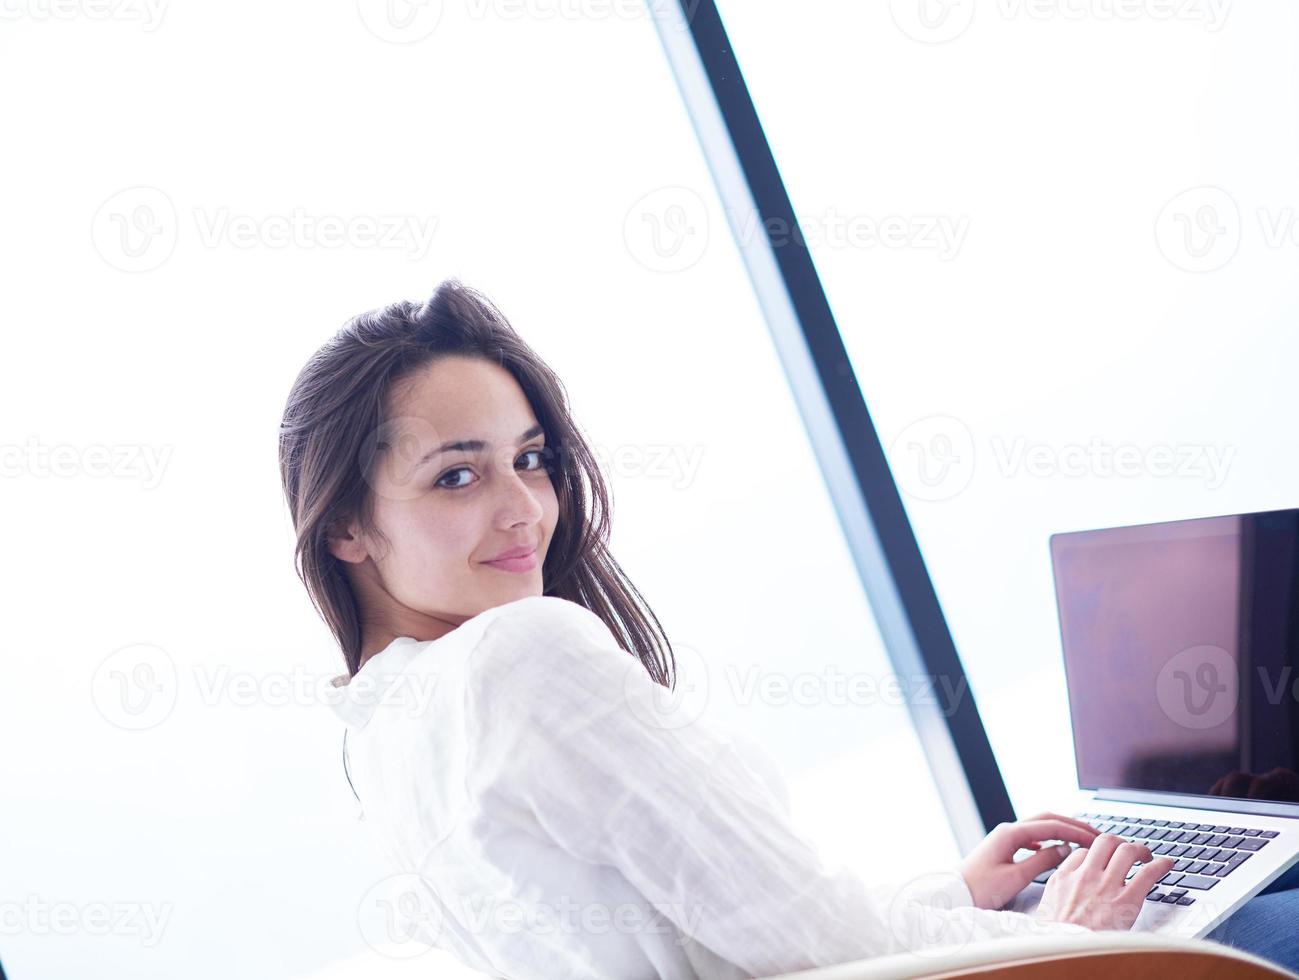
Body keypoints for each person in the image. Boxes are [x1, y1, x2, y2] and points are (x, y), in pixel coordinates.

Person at [279, 279, 1299, 979]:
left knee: (1260, 851)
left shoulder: (382, 738)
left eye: (533, 458)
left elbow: (719, 940)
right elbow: (815, 949)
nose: (524, 509)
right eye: (456, 474)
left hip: (942, 956)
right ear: (347, 527)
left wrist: (955, 891)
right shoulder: (523, 655)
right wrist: (1067, 936)